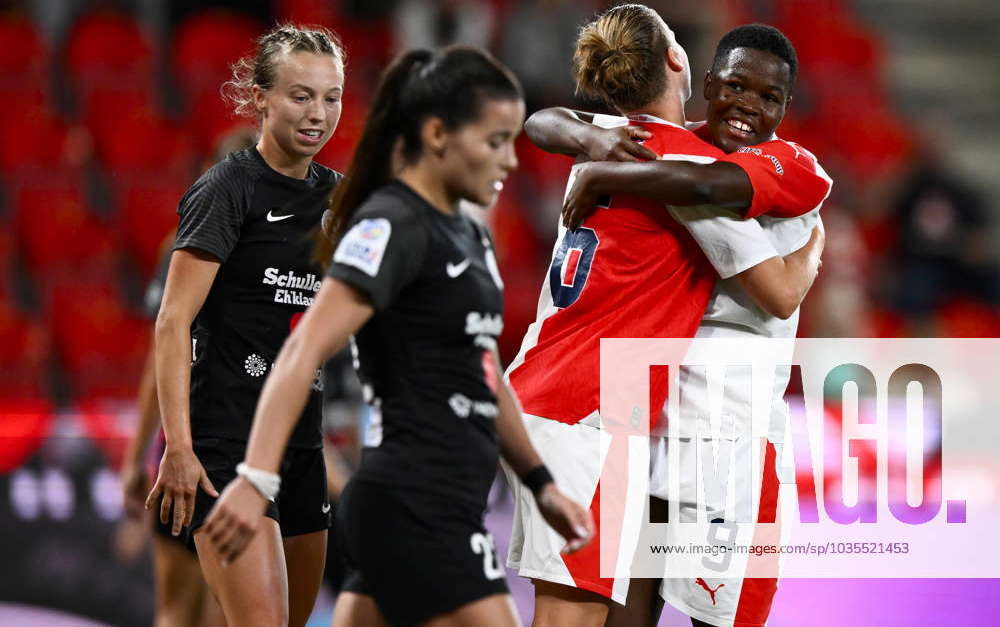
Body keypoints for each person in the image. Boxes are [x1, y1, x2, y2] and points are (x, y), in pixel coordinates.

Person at [201, 45, 594, 627]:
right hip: (416, 501)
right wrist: (257, 477)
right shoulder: (391, 224)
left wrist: (540, 483)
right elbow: (302, 349)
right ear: (437, 135)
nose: (510, 161)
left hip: (445, 504)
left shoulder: (470, 235)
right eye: (494, 141)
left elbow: (482, 369)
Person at [505, 8, 830, 627]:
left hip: (625, 410)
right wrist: (813, 247)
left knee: (608, 605)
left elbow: (541, 121)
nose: (748, 105)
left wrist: (597, 155)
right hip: (623, 415)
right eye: (735, 86)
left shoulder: (622, 137)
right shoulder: (691, 173)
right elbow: (781, 290)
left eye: (769, 96)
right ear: (693, 71)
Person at [143, 24, 346, 627]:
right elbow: (172, 322)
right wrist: (177, 448)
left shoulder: (340, 200)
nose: (318, 113)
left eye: (331, 97)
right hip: (225, 443)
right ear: (260, 97)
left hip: (301, 446)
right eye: (300, 95)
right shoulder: (226, 189)